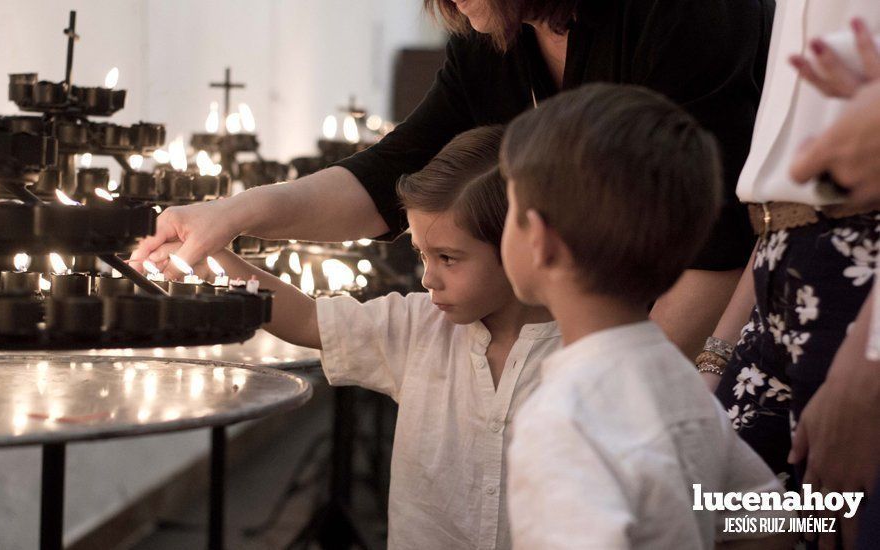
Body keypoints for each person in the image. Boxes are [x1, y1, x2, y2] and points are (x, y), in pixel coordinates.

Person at [132, 0, 774, 360]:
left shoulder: (692, 16)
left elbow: (718, 233)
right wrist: (236, 214)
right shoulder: (492, 29)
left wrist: (630, 388)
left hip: (708, 323)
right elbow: (391, 170)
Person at [148, 126, 560, 549]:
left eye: (448, 258)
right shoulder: (418, 327)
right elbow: (309, 319)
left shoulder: (581, 351)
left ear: (519, 245)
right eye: (421, 254)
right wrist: (211, 258)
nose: (428, 277)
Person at [498, 84, 793, 549]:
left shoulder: (562, 419)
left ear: (538, 238)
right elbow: (771, 520)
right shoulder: (677, 381)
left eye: (509, 207)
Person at [702, 4, 880, 546]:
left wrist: (869, 364)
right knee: (725, 521)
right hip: (777, 286)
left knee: (834, 528)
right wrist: (719, 353)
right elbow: (782, 207)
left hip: (858, 297)